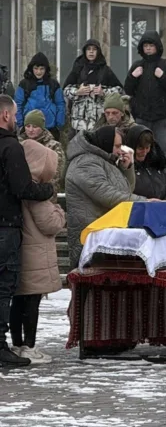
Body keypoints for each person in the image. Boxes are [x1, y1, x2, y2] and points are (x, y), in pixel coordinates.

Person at [0, 95, 56, 368]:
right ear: (5, 116)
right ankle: (1, 346)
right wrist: (48, 191)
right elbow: (22, 188)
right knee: (4, 289)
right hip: (5, 227)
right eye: (15, 115)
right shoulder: (10, 147)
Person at [11, 139, 63, 363]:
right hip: (36, 258)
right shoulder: (37, 193)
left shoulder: (15, 185)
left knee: (18, 302)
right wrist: (59, 210)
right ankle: (29, 345)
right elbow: (50, 223)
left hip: (21, 252)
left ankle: (15, 343)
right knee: (32, 303)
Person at [65, 126, 145, 269]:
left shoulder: (104, 160)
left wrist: (126, 169)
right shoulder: (85, 163)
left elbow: (125, 190)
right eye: (117, 146)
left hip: (103, 237)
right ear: (105, 142)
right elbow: (107, 195)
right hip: (90, 239)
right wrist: (143, 202)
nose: (120, 150)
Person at [124, 32, 166, 167]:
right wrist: (133, 76)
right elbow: (128, 90)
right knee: (140, 150)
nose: (148, 48)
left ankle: (164, 182)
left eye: (151, 45)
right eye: (145, 45)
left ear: (157, 47)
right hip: (142, 117)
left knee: (163, 151)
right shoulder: (137, 65)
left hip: (162, 117)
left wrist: (163, 76)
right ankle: (141, 180)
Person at [62, 39, 123, 137]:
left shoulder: (105, 70)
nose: (91, 51)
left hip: (99, 120)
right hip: (79, 122)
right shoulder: (78, 68)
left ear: (98, 52)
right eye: (88, 49)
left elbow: (119, 90)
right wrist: (78, 92)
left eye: (94, 49)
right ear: (85, 51)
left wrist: (103, 92)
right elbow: (65, 90)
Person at [14, 53, 65, 133]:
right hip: (29, 128)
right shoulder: (24, 84)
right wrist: (20, 125)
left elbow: (60, 104)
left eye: (42, 69)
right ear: (31, 68)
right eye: (36, 68)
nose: (39, 72)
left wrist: (59, 124)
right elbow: (18, 104)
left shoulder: (53, 84)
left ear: (46, 69)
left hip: (50, 126)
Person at [123, 124, 166, 200]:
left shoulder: (156, 164)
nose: (144, 152)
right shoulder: (126, 168)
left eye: (147, 147)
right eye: (140, 148)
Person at [18, 111, 66, 192]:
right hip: (22, 193)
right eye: (27, 126)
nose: (30, 130)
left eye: (35, 126)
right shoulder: (19, 145)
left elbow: (56, 174)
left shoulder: (54, 146)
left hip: (46, 193)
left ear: (42, 127)